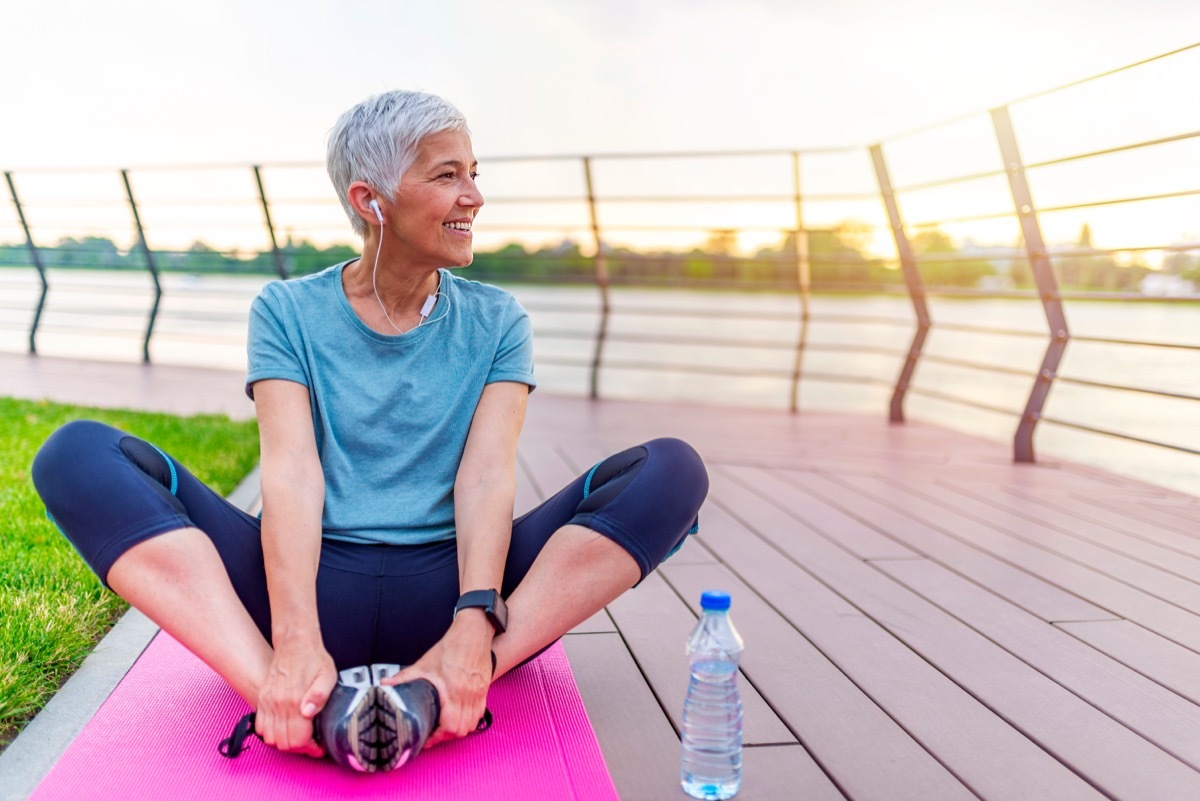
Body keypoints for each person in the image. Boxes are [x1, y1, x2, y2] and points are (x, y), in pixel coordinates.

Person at [31, 90, 709, 772]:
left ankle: (443, 684)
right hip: (304, 588)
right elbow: (292, 470)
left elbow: (485, 476)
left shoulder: (500, 321)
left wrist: (475, 623)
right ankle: (288, 694)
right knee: (76, 454)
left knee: (672, 471)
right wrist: (295, 637)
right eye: (448, 175)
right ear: (370, 199)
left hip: (452, 597)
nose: (473, 196)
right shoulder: (287, 308)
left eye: (474, 173)